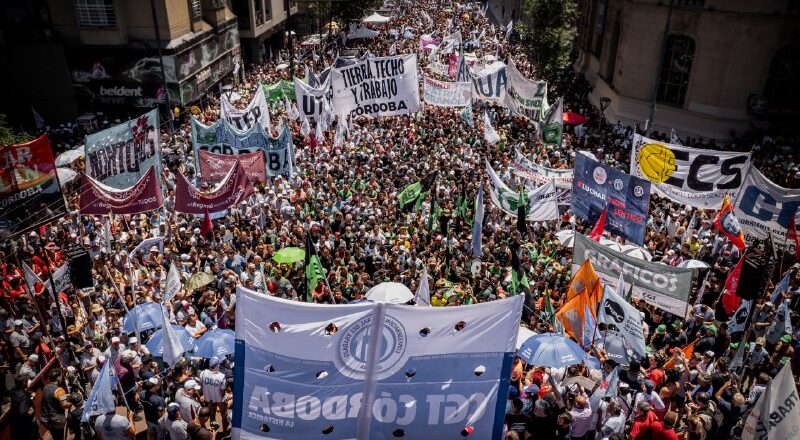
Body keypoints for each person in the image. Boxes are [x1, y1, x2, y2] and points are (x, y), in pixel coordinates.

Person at [39, 367, 69, 440]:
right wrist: (73, 402)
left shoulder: (46, 387)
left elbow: (53, 397)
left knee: (55, 436)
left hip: (45, 418)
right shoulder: (59, 390)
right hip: (56, 420)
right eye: (61, 376)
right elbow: (64, 405)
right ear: (58, 377)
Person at [200, 356, 229, 431]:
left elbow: (202, 386)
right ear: (218, 365)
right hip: (219, 399)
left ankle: (213, 429)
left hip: (209, 398)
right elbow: (222, 392)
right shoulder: (221, 376)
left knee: (212, 414)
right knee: (224, 415)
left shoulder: (203, 373)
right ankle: (225, 431)